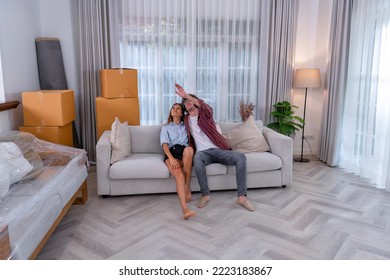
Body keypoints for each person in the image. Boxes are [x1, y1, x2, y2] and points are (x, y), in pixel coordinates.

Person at [175, 83, 255, 211]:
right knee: (197, 159)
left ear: (195, 102)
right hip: (203, 153)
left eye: (189, 100)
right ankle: (205, 195)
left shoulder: (205, 114)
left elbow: (204, 105)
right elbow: (173, 120)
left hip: (219, 150)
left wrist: (186, 95)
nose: (187, 102)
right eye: (185, 101)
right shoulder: (185, 120)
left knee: (241, 157)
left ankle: (241, 197)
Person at [160, 102, 196, 220]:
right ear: (171, 112)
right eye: (173, 108)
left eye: (178, 108)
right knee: (179, 176)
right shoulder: (166, 127)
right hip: (172, 152)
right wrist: (171, 158)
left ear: (182, 113)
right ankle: (185, 209)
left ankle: (186, 186)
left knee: (190, 150)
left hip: (184, 151)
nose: (175, 110)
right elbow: (164, 145)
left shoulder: (186, 126)